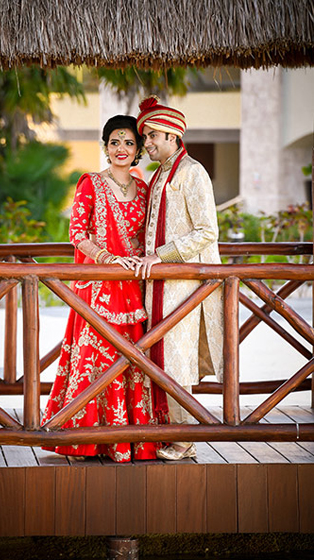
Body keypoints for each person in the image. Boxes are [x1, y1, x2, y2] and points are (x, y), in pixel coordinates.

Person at [41, 115, 158, 463]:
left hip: (134, 290)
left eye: (129, 143)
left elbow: (150, 238)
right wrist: (108, 258)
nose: (121, 149)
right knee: (98, 360)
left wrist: (145, 259)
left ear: (138, 150)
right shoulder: (90, 183)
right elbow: (77, 234)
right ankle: (86, 439)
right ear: (105, 147)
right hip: (98, 289)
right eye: (114, 142)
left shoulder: (147, 188)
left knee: (134, 359)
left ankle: (129, 438)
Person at [135, 96, 224, 461]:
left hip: (183, 284)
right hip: (157, 283)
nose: (148, 143)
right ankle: (168, 431)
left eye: (153, 135)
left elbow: (207, 231)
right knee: (159, 356)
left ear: (173, 134)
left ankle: (184, 437)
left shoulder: (192, 172)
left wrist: (162, 255)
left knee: (175, 359)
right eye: (147, 136)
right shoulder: (159, 175)